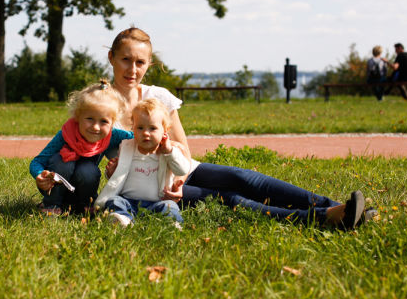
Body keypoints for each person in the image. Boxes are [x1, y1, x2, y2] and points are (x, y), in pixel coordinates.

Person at [105, 27, 369, 229]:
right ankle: (324, 218)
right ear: (112, 58)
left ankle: (337, 207)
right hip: (152, 188)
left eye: (140, 62)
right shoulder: (100, 105)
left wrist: (181, 178)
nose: (132, 69)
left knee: (245, 178)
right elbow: (81, 149)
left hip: (180, 172)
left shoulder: (158, 96)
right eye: (126, 59)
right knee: (229, 199)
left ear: (148, 64)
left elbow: (183, 147)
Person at [29, 80, 132, 215]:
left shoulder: (112, 135)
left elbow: (137, 136)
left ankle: (85, 205)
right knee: (63, 163)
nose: (96, 127)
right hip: (56, 187)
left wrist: (158, 137)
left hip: (83, 188)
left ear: (113, 122)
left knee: (88, 170)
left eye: (104, 121)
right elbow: (37, 162)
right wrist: (39, 176)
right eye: (89, 119)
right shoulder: (66, 134)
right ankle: (52, 204)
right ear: (78, 116)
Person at [95, 98, 190, 228]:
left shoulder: (168, 151)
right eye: (140, 128)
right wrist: (111, 173)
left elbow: (183, 170)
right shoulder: (127, 147)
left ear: (165, 131)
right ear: (132, 128)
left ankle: (171, 223)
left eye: (152, 128)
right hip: (128, 200)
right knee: (114, 201)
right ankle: (123, 219)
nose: (145, 133)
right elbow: (120, 175)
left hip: (157, 202)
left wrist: (169, 151)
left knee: (170, 206)